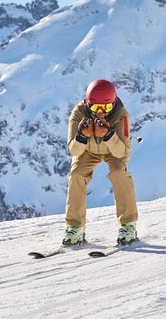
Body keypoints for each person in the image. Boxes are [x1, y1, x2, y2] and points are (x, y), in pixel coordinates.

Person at [63, 79, 139, 246]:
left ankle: (128, 225)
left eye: (106, 108)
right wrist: (82, 136)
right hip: (87, 150)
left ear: (113, 104)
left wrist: (108, 135)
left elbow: (122, 152)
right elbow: (73, 150)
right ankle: (75, 227)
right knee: (76, 175)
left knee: (120, 174)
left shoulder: (121, 115)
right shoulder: (78, 113)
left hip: (114, 149)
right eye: (96, 108)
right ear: (88, 104)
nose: (101, 113)